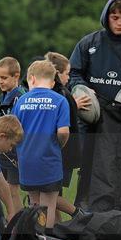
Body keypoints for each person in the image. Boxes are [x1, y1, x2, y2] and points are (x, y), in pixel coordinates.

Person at [69, 0, 121, 218]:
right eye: (115, 17)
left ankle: (120, 215)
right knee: (89, 166)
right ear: (107, 17)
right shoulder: (88, 44)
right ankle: (86, 214)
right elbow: (74, 74)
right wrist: (83, 89)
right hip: (92, 118)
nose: (119, 22)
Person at [13, 60, 70, 231]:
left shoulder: (21, 101)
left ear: (31, 78)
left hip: (26, 161)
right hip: (49, 160)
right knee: (48, 205)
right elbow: (63, 132)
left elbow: (15, 132)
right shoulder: (60, 101)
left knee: (34, 203)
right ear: (53, 82)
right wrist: (58, 145)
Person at [44, 52, 86, 221]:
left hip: (61, 153)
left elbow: (59, 124)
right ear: (56, 73)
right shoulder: (60, 93)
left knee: (49, 195)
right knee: (50, 195)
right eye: (67, 73)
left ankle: (79, 215)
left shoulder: (59, 94)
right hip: (63, 153)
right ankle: (59, 232)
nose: (69, 78)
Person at [0, 57, 25, 214]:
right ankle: (13, 215)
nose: (0, 81)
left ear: (16, 76)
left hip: (14, 151)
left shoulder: (20, 97)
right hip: (1, 150)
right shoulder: (4, 95)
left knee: (12, 190)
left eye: (4, 78)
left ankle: (19, 222)